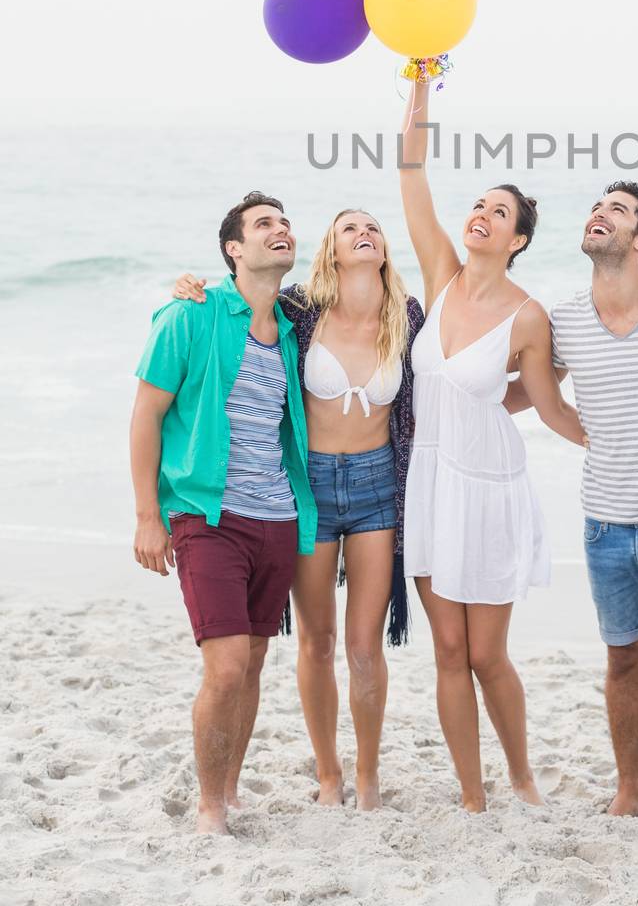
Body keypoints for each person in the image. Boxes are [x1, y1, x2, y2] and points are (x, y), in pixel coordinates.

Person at [172, 207, 423, 811]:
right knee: (316, 640)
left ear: (385, 248)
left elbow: (459, 366)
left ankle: (367, 779)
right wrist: (192, 288)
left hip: (377, 490)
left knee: (364, 647)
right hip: (306, 489)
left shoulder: (408, 317)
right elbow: (242, 300)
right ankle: (329, 776)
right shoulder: (300, 309)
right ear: (331, 250)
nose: (364, 233)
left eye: (374, 228)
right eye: (348, 228)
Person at [400, 79, 587, 813]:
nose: (481, 215)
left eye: (498, 213)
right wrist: (419, 91)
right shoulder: (440, 275)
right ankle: (474, 795)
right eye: (479, 204)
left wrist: (615, 444)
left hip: (488, 486)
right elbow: (411, 175)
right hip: (427, 479)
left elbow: (545, 406)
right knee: (447, 652)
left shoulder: (528, 317)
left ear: (518, 242)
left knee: (485, 654)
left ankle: (520, 775)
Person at [522, 182, 638, 822]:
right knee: (623, 659)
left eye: (618, 210)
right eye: (597, 207)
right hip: (605, 524)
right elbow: (534, 390)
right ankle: (631, 789)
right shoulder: (565, 318)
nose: (599, 213)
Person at [130, 192, 316, 836]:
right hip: (206, 515)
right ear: (233, 249)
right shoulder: (192, 314)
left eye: (286, 224)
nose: (280, 231)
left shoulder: (295, 328)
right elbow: (147, 415)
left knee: (256, 661)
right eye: (264, 224)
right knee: (227, 663)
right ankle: (209, 806)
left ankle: (231, 788)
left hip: (279, 517)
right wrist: (147, 514)